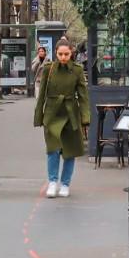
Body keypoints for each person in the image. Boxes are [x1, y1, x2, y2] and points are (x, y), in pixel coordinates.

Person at [33, 37, 89, 199]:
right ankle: (52, 182)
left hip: (71, 113)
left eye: (66, 54)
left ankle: (65, 183)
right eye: (60, 54)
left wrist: (85, 117)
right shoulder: (48, 69)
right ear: (56, 54)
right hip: (52, 114)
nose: (63, 57)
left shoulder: (77, 70)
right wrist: (39, 116)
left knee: (70, 151)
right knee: (53, 149)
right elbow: (42, 94)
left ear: (71, 53)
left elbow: (83, 96)